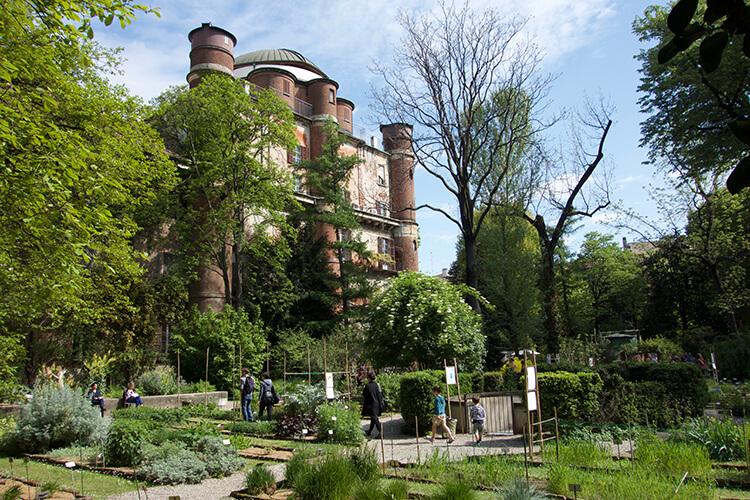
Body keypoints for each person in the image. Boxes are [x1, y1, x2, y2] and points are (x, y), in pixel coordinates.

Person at [362, 372, 385, 438]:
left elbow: (364, 395)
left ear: (368, 378)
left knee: (375, 419)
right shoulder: (377, 385)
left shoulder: (367, 386)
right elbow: (380, 394)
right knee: (373, 418)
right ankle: (369, 431)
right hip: (377, 404)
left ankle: (381, 432)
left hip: (371, 405)